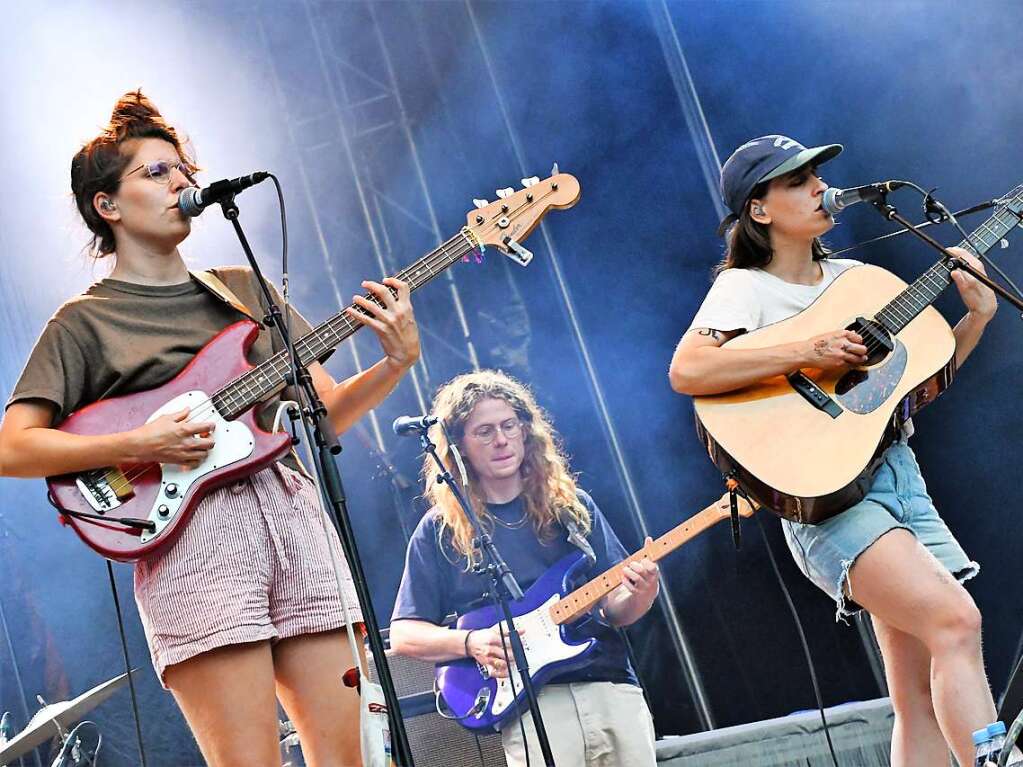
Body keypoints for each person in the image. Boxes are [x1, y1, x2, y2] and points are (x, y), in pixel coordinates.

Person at [0, 90, 421, 767]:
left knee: (356, 757)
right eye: (155, 173)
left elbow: (329, 410)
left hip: (290, 514)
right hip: (193, 538)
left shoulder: (241, 290)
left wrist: (397, 363)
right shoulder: (83, 322)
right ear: (107, 206)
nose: (183, 184)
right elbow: (13, 446)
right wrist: (139, 443)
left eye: (184, 171)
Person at [669, 135, 1000, 767]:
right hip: (827, 499)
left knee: (916, 691)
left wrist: (975, 320)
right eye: (798, 181)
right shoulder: (747, 289)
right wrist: (805, 350)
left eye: (818, 176)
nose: (820, 187)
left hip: (895, 473)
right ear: (759, 210)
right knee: (957, 621)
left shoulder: (858, 281)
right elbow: (689, 370)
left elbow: (903, 391)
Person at [389, 370, 659, 766]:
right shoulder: (441, 529)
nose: (500, 440)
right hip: (530, 707)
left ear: (525, 431)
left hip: (609, 686)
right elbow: (404, 634)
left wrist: (641, 593)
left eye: (508, 426)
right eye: (484, 431)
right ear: (459, 446)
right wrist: (471, 643)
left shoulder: (571, 507)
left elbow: (615, 611)